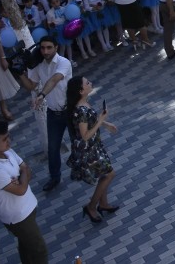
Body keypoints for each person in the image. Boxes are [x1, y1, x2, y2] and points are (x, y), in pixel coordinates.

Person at [0, 121, 49, 264]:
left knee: (26, 247)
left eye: (8, 136)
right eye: (4, 139)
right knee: (39, 249)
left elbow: (27, 168)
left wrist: (20, 177)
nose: (9, 141)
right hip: (18, 218)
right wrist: (22, 176)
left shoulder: (7, 151)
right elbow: (21, 189)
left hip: (27, 209)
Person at [16, 37, 72, 193]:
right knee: (53, 148)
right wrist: (20, 74)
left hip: (70, 111)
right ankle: (55, 177)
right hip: (53, 113)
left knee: (79, 142)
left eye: (49, 47)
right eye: (42, 48)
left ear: (56, 47)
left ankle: (83, 169)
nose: (45, 51)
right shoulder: (37, 65)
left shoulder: (63, 62)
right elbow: (31, 86)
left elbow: (54, 80)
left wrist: (41, 95)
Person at [65, 76, 118, 224]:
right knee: (109, 174)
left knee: (104, 174)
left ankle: (103, 204)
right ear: (81, 91)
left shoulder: (84, 103)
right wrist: (101, 120)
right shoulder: (80, 110)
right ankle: (91, 206)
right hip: (89, 151)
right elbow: (85, 135)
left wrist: (105, 124)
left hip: (95, 147)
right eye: (87, 83)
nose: (90, 83)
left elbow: (92, 120)